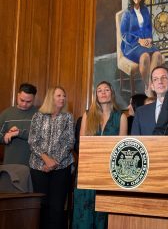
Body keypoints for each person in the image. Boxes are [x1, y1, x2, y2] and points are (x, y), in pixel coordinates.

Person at [72, 81, 128, 229]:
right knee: (83, 211)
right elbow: (82, 143)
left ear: (112, 93)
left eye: (106, 90)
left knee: (104, 212)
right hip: (87, 170)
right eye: (99, 91)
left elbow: (122, 149)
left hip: (109, 172)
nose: (103, 93)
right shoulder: (87, 115)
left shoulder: (121, 117)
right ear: (96, 95)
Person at [28, 86, 75, 229]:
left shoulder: (68, 117)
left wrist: (55, 162)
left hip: (62, 168)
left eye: (64, 96)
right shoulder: (38, 116)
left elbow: (69, 142)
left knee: (57, 207)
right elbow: (32, 140)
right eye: (59, 95)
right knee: (42, 205)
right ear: (51, 98)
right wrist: (46, 160)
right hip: (38, 167)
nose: (62, 98)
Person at [120, 0, 163, 95]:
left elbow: (149, 27)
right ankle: (149, 87)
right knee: (145, 57)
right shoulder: (127, 13)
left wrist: (149, 39)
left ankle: (150, 85)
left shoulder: (145, 10)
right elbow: (124, 34)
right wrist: (139, 40)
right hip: (131, 45)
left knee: (157, 55)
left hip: (145, 42)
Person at [0, 83, 38, 166]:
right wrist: (7, 136)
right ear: (18, 95)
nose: (24, 104)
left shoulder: (39, 115)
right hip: (10, 165)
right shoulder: (6, 113)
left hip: (34, 166)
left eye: (28, 101)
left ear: (34, 98)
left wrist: (18, 132)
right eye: (22, 100)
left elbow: (41, 138)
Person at [132, 66, 168, 136]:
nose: (160, 81)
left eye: (164, 78)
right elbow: (136, 140)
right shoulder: (141, 112)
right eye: (155, 79)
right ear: (152, 86)